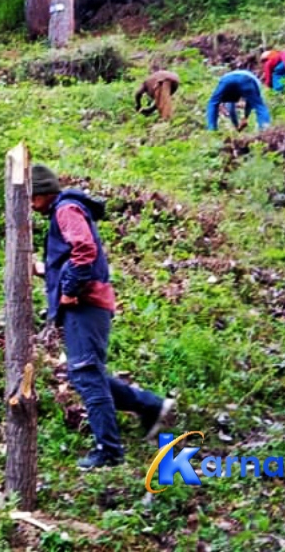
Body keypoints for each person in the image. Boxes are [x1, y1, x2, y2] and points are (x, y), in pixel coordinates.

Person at [30, 164, 175, 469]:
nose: (30, 204)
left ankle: (109, 451)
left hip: (85, 303)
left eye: (32, 196)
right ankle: (151, 406)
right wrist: (45, 271)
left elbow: (84, 251)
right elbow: (72, 257)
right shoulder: (64, 209)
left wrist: (68, 289)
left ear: (45, 193)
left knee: (85, 374)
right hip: (87, 302)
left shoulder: (65, 209)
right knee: (86, 373)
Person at [207, 70, 271, 132]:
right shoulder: (256, 84)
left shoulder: (232, 93)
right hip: (246, 79)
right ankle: (264, 129)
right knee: (260, 107)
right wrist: (243, 119)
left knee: (213, 103)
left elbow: (231, 109)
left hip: (227, 80)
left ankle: (211, 129)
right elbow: (250, 104)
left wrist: (239, 123)